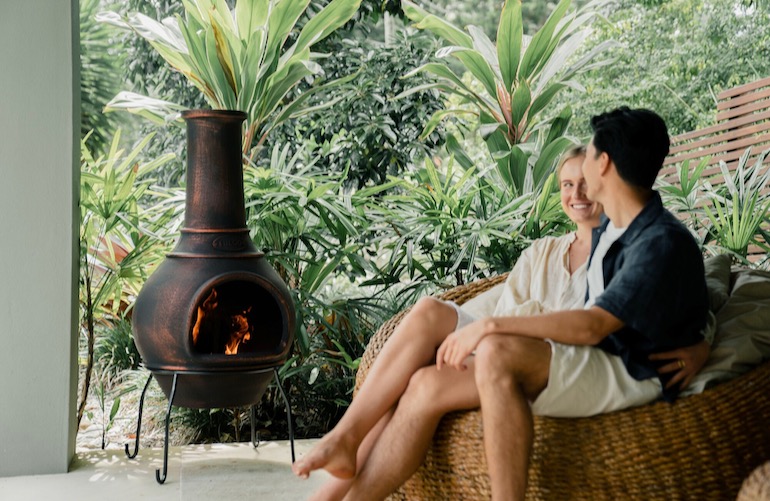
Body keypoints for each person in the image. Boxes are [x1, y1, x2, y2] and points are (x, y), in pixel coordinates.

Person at [293, 111, 710, 501]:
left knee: (496, 349)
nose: (578, 180)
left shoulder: (657, 241)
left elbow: (594, 326)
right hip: (593, 352)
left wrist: (490, 326)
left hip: (628, 365)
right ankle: (345, 458)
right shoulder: (615, 228)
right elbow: (675, 293)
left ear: (603, 164)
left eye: (588, 159)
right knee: (422, 384)